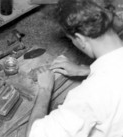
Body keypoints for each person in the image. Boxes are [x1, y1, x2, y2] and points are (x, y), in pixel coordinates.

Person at [26, 0, 123, 137]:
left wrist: (45, 90)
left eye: (72, 39)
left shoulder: (88, 96)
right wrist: (83, 70)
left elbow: (34, 134)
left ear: (80, 39)